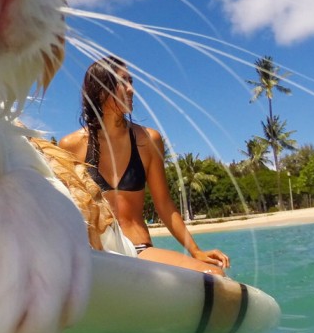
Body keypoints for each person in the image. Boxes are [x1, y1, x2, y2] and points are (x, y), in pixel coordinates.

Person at [56, 56, 230, 275]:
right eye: (123, 82)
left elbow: (164, 204)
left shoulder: (148, 140)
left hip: (137, 251)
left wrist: (195, 251)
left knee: (215, 275)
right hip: (94, 254)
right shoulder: (71, 145)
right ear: (100, 89)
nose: (131, 90)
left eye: (132, 82)